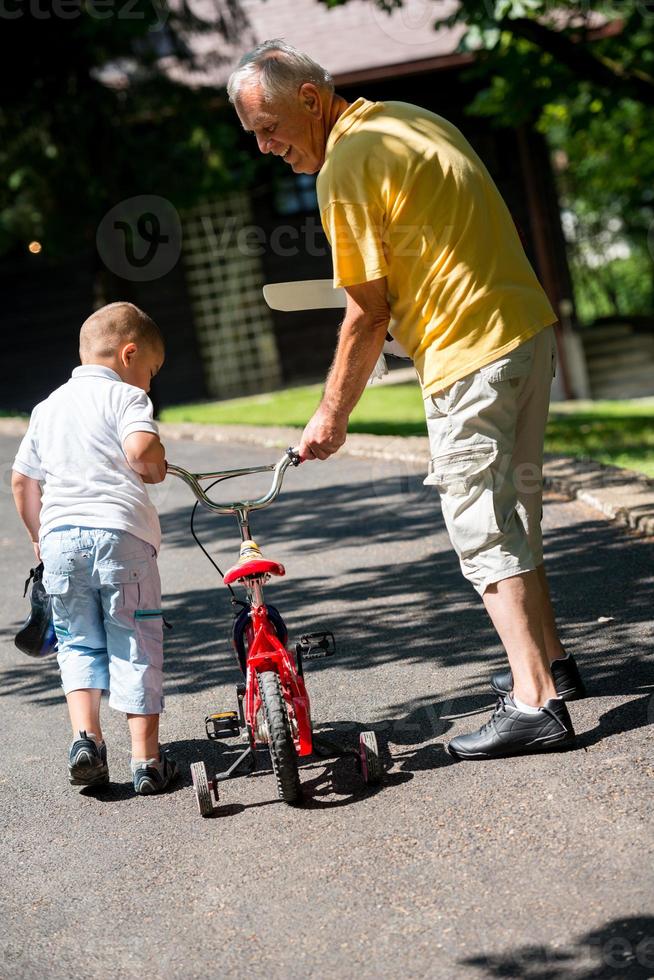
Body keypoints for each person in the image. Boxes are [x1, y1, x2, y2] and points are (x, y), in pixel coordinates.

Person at [227, 40, 587, 760]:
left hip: (470, 358)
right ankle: (553, 665)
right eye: (254, 136)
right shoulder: (409, 121)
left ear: (308, 99)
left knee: (481, 526)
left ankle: (534, 702)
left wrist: (331, 412)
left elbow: (365, 311)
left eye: (268, 127)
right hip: (524, 331)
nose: (265, 147)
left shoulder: (346, 167)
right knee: (511, 507)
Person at [11, 302, 178, 793]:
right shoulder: (126, 399)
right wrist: (157, 465)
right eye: (150, 371)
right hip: (120, 537)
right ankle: (146, 761)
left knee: (77, 641)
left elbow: (22, 482)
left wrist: (40, 538)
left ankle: (86, 740)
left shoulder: (47, 407)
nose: (148, 383)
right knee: (136, 640)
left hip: (60, 540)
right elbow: (142, 451)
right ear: (129, 355)